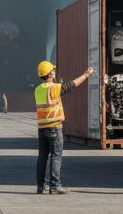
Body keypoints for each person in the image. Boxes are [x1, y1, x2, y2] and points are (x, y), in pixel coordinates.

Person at [34, 60, 93, 195]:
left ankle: (40, 186)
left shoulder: (37, 90)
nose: (54, 73)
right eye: (52, 71)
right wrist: (85, 75)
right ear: (50, 74)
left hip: (42, 128)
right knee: (56, 156)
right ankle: (55, 186)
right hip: (54, 127)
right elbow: (71, 86)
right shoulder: (53, 88)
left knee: (42, 156)